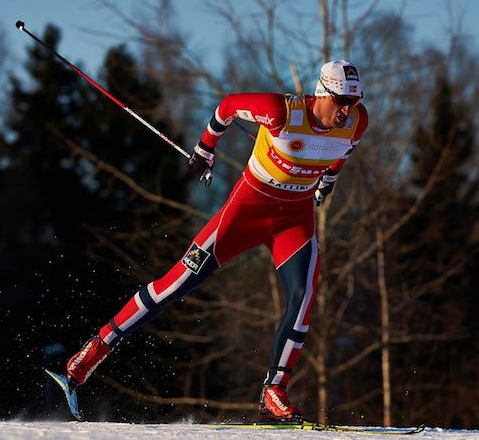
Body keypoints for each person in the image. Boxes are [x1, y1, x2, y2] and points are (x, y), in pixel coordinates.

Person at [62, 60, 368, 421]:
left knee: (303, 300)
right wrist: (206, 148)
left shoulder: (357, 122)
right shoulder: (280, 111)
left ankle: (274, 391)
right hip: (246, 212)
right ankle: (95, 349)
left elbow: (340, 155)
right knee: (175, 284)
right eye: (340, 101)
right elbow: (226, 107)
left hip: (294, 220)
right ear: (321, 94)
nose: (347, 110)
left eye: (354, 101)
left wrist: (327, 182)